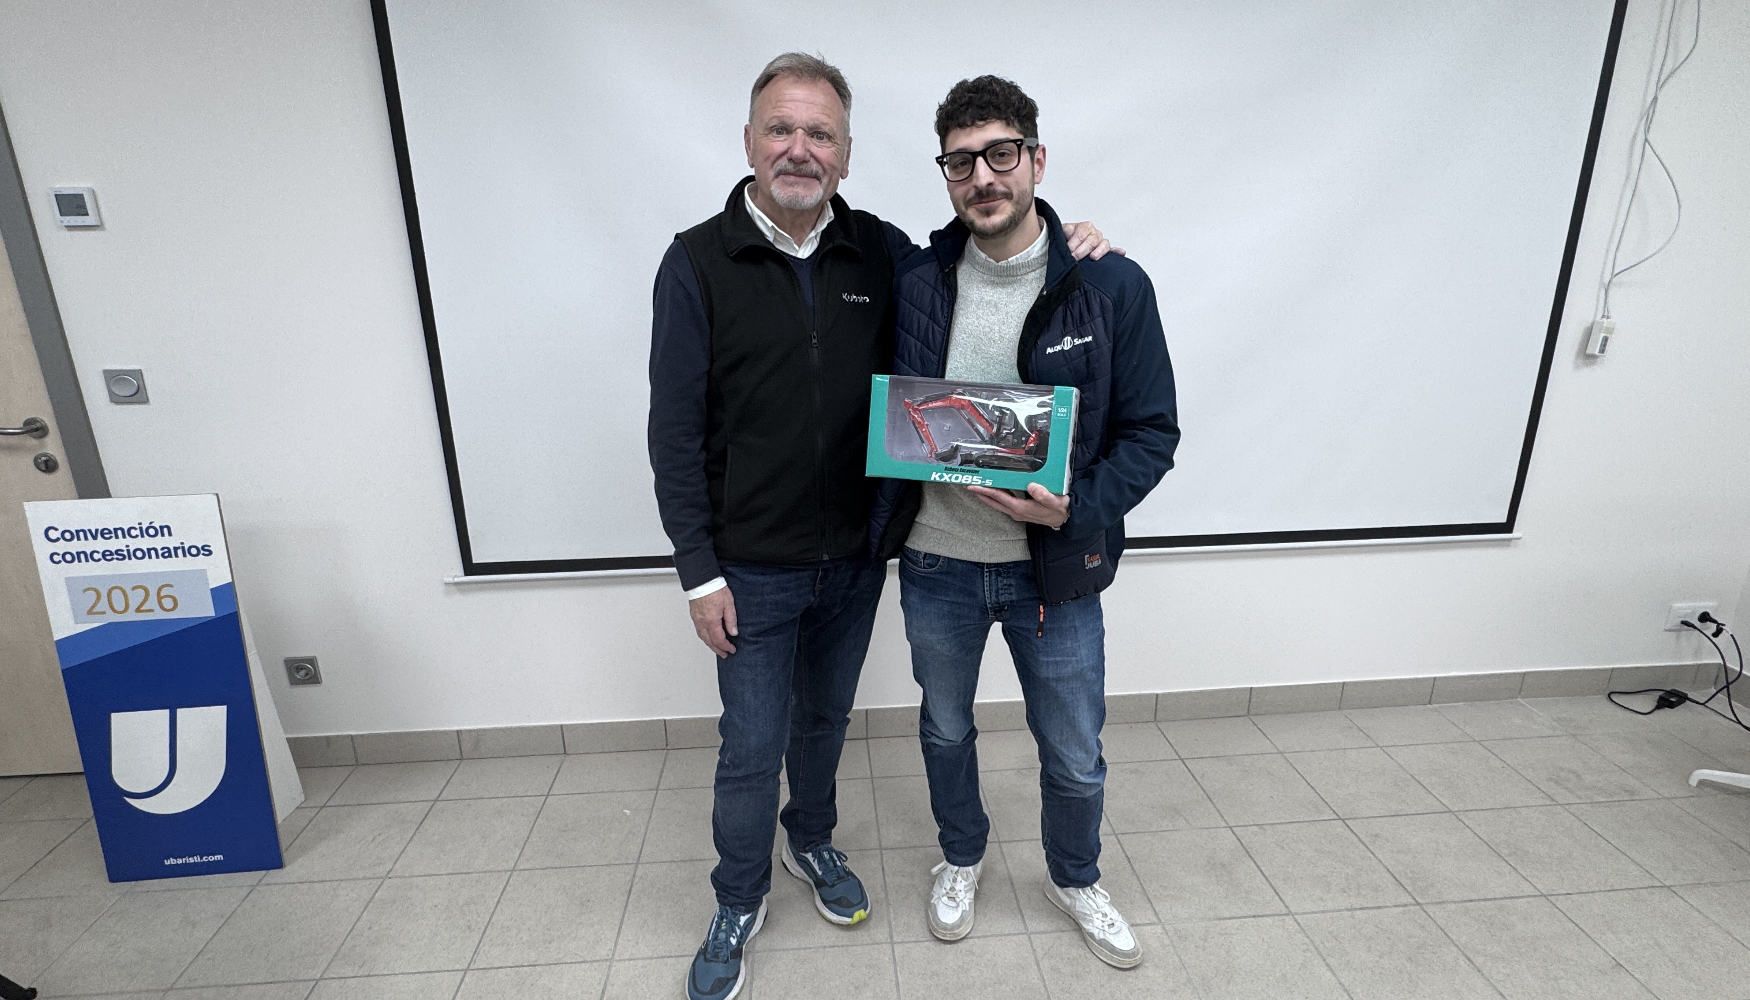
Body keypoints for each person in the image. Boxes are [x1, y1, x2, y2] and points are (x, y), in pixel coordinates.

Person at [647, 54, 1112, 1000]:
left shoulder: (887, 255)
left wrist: (1079, 245)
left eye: (821, 134)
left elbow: (996, 259)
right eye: (781, 129)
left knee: (823, 724)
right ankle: (738, 897)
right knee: (748, 745)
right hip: (750, 568)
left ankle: (810, 843)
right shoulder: (695, 261)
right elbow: (673, 431)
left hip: (857, 560)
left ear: (848, 156)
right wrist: (699, 573)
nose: (799, 150)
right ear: (748, 141)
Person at [868, 74, 1179, 970]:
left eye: (1001, 154)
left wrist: (1078, 504)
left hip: (1058, 571)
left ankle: (1074, 876)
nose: (982, 176)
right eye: (960, 161)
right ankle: (960, 856)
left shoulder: (1111, 286)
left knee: (1075, 752)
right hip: (936, 566)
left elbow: (1152, 433)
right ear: (947, 175)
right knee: (945, 729)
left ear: (1037, 161)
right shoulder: (914, 277)